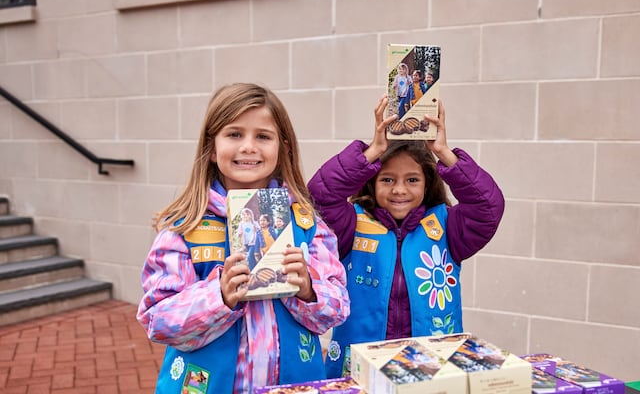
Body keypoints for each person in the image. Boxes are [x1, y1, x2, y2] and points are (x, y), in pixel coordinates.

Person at [137, 82, 350, 393]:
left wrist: (307, 288)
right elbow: (159, 321)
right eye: (235, 134)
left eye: (263, 136)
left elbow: (338, 308)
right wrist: (218, 297)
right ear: (211, 148)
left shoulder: (306, 225)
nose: (249, 146)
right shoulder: (184, 229)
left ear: (283, 148)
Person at [307, 96, 505, 378]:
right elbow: (319, 195)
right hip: (360, 368)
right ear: (372, 182)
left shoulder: (448, 227)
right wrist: (372, 151)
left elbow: (489, 206)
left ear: (427, 183)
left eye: (412, 180)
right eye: (388, 180)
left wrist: (443, 152)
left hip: (430, 367)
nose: (399, 189)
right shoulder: (351, 224)